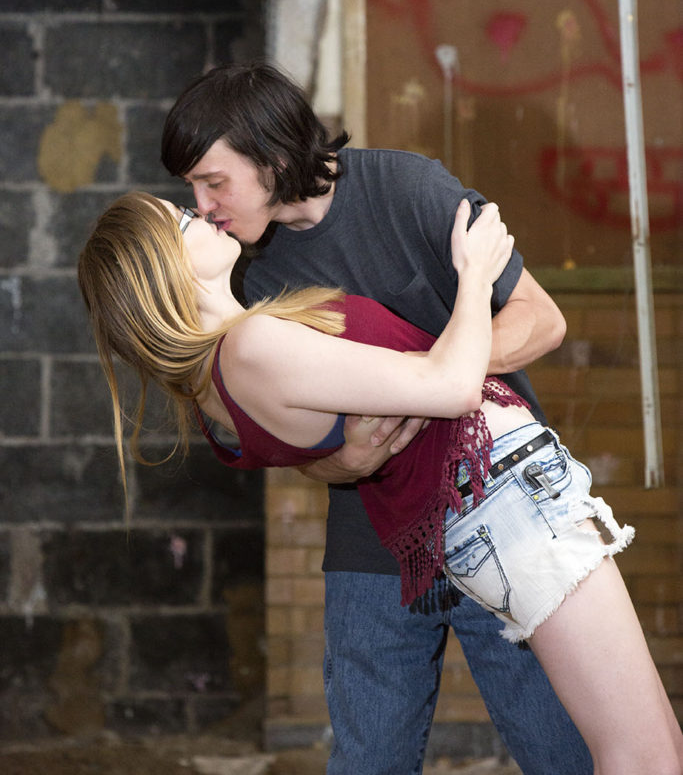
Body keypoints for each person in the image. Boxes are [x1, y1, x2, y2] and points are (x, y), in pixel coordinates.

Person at [78, 188, 683, 775]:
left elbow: (353, 436)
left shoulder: (219, 378)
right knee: (646, 755)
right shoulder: (248, 347)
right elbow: (451, 387)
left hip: (492, 500)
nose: (202, 209)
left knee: (654, 747)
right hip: (502, 495)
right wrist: (474, 277)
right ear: (164, 270)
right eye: (183, 217)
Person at [158, 62, 591, 775]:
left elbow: (540, 320)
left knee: (561, 750)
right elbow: (310, 445)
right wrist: (343, 458)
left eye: (212, 181)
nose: (202, 205)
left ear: (271, 158)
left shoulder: (407, 187)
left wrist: (421, 384)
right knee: (367, 760)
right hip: (372, 540)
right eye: (190, 189)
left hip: (494, 503)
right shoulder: (244, 271)